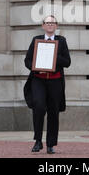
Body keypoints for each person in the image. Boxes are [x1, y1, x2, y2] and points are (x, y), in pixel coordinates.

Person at [23, 15, 71, 154]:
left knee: (53, 111)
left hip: (55, 80)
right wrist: (36, 66)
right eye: (47, 22)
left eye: (53, 23)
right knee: (38, 106)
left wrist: (53, 54)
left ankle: (51, 143)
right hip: (39, 79)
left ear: (56, 26)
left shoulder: (61, 41)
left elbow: (67, 62)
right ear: (43, 25)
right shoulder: (36, 40)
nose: (50, 25)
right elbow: (27, 60)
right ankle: (38, 141)